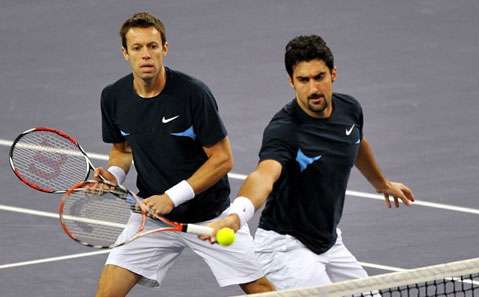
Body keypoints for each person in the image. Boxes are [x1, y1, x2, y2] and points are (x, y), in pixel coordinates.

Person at [203, 35, 416, 290]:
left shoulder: (349, 109)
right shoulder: (283, 130)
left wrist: (382, 184)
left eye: (319, 77)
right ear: (291, 82)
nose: (313, 89)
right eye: (303, 80)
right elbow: (263, 176)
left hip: (328, 241)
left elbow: (356, 143)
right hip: (284, 247)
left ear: (333, 74)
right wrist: (237, 216)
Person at [93, 12, 273, 297]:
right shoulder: (114, 97)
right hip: (152, 218)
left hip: (210, 217)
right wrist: (113, 174)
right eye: (137, 48)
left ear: (165, 48)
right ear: (125, 53)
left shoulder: (193, 95)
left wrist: (171, 197)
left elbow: (222, 159)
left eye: (153, 46)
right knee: (106, 294)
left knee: (262, 289)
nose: (146, 55)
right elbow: (122, 150)